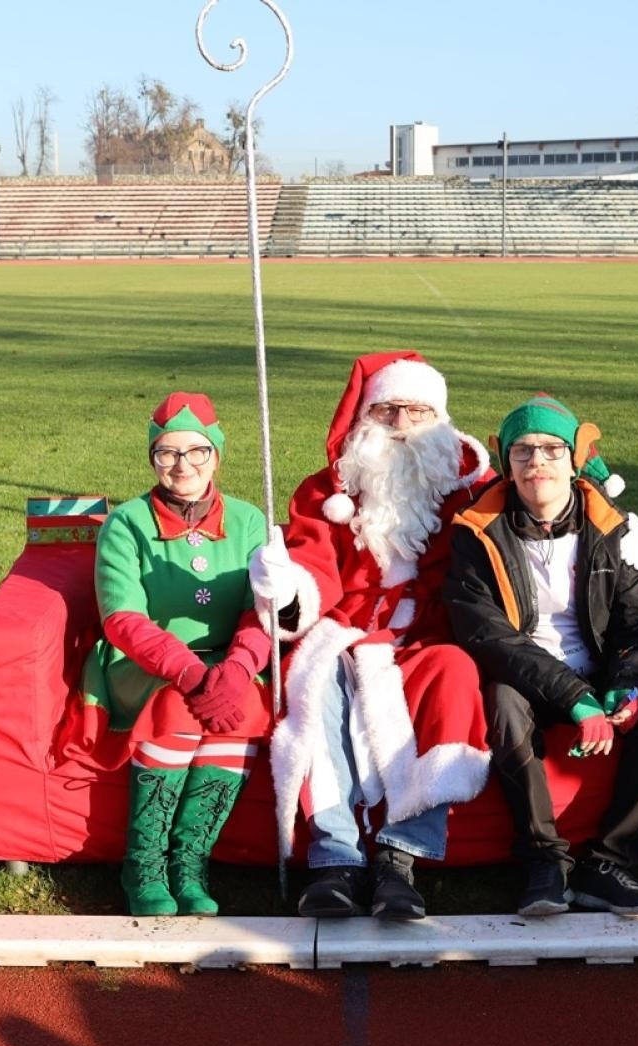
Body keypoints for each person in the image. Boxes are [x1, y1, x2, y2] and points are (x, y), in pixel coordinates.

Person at [248, 351, 494, 920]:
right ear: (364, 420)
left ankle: (400, 860)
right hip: (344, 628)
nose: (403, 427)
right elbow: (313, 565)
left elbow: (549, 484)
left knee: (453, 673)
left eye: (417, 412)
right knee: (314, 682)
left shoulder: (473, 491)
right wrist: (287, 590)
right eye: (387, 412)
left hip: (430, 633)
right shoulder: (327, 492)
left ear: (441, 420)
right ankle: (334, 860)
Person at [445, 395, 638, 917]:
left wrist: (629, 686)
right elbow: (485, 633)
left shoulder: (613, 528)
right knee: (504, 702)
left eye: (553, 450)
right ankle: (543, 861)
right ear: (506, 462)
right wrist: (576, 699)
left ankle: (609, 863)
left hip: (599, 670)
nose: (538, 463)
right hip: (527, 674)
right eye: (524, 452)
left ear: (575, 458)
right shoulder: (476, 531)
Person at [81, 392, 273, 917]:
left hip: (226, 662)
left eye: (196, 452)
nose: (182, 465)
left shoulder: (250, 519)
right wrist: (189, 671)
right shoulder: (127, 524)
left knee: (245, 709)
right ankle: (142, 864)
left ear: (216, 455)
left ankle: (189, 864)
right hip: (143, 665)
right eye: (167, 453)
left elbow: (263, 609)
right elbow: (122, 618)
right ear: (152, 458)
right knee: (176, 705)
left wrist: (237, 669)